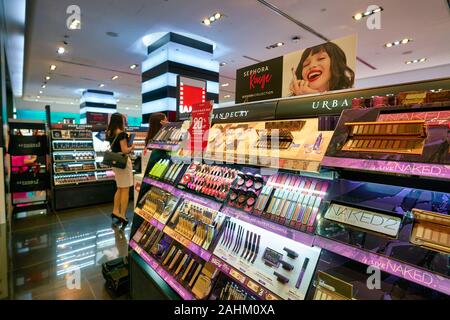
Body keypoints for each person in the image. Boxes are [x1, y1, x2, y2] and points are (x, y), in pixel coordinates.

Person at [290, 42, 355, 96]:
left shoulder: (349, 98)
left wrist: (314, 97)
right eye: (306, 64)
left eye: (321, 58)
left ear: (336, 64)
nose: (312, 66)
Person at [106, 112, 134, 229]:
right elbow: (124, 150)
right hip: (123, 163)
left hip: (115, 163)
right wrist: (131, 147)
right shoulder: (121, 134)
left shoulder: (110, 133)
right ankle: (122, 214)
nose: (124, 121)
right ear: (120, 121)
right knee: (125, 190)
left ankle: (115, 211)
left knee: (119, 188)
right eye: (123, 119)